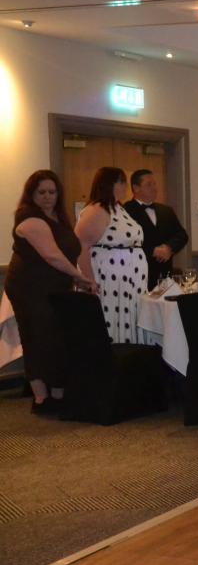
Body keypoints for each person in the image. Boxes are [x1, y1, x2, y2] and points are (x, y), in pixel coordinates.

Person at [5, 170, 94, 414]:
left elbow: (69, 251)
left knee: (57, 338)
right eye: (41, 192)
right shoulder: (28, 218)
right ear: (31, 194)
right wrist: (80, 277)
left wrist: (75, 276)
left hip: (56, 286)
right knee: (38, 338)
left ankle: (58, 393)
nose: (47, 197)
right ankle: (42, 398)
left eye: (52, 192)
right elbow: (52, 255)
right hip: (30, 288)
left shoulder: (59, 217)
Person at [75, 167, 147, 343]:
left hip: (130, 284)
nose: (125, 186)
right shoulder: (97, 210)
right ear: (108, 184)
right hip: (110, 283)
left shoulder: (118, 208)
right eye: (121, 182)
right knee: (111, 322)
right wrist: (89, 280)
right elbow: (80, 246)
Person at [123, 169, 189, 288]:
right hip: (138, 277)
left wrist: (169, 248)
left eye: (154, 184)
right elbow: (125, 243)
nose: (154, 188)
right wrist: (152, 251)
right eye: (149, 184)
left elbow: (182, 235)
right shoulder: (126, 211)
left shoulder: (166, 210)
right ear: (136, 188)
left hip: (165, 275)